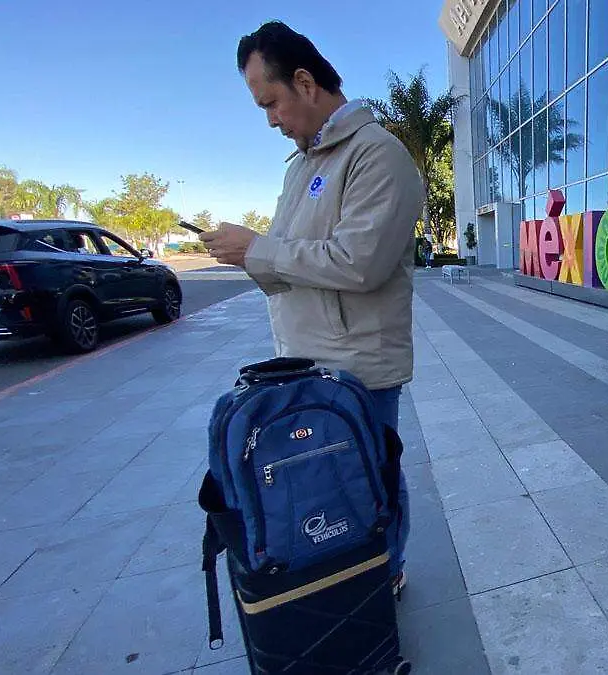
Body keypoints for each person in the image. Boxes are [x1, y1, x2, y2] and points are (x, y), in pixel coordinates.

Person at [199, 21, 424, 592]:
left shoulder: (377, 155)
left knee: (370, 474)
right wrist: (248, 257)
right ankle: (349, 573)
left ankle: (385, 573)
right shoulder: (302, 167)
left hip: (359, 366)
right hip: (305, 359)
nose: (271, 119)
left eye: (271, 102)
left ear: (305, 82)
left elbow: (359, 262)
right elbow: (290, 262)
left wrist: (258, 249)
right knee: (326, 482)